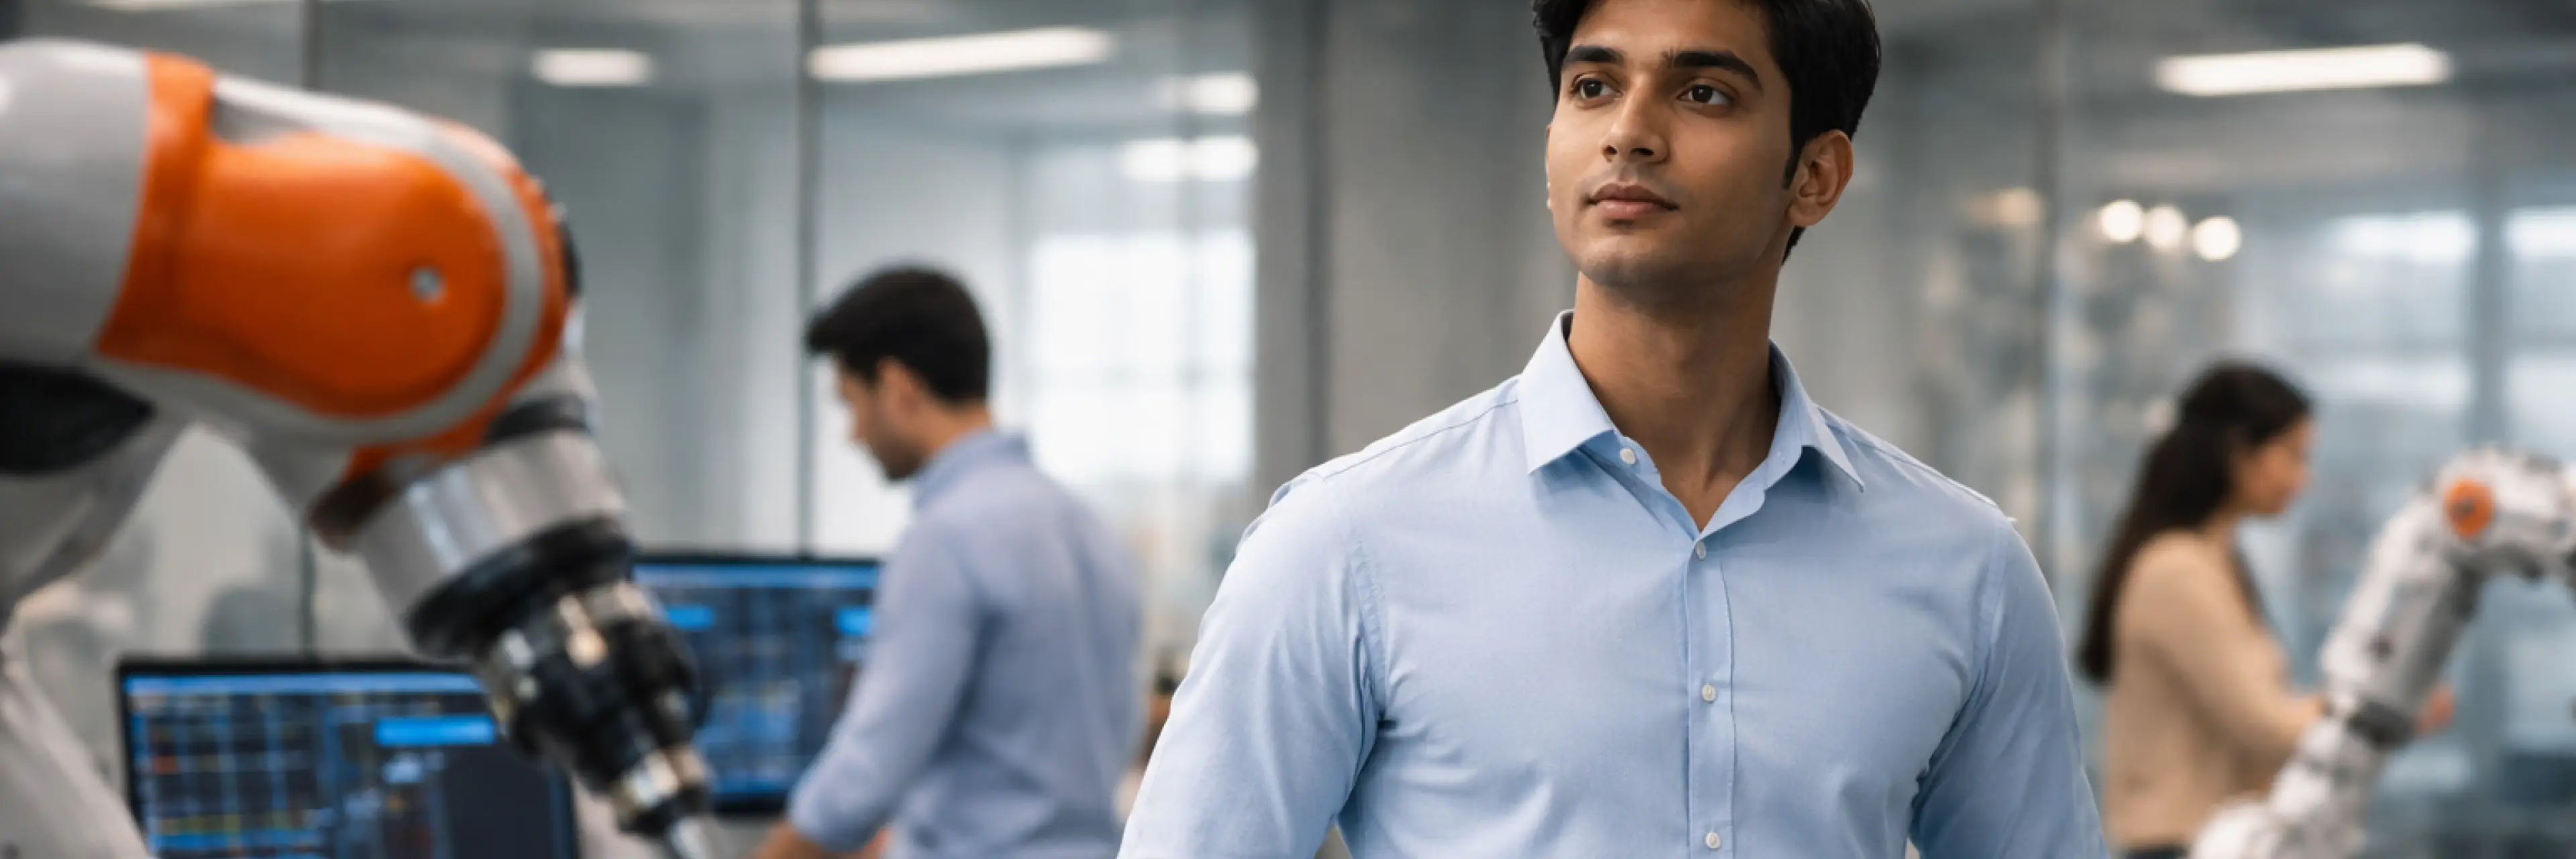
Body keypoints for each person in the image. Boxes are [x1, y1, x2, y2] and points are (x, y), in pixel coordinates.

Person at [1119, 0, 2106, 856]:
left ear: (1815, 176)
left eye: (1703, 93)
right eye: (1593, 87)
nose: (1628, 132)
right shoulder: (1344, 544)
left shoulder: (1963, 565)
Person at [753, 268, 1142, 859]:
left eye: (852, 404)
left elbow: (862, 780)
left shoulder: (947, 541)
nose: (852, 435)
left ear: (898, 387)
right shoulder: (1090, 528)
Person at [2077, 364, 2452, 859]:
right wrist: (2384, 707)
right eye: (2293, 455)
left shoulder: (2212, 562)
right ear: (2238, 451)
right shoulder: (2179, 571)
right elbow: (2270, 731)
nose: (2304, 478)